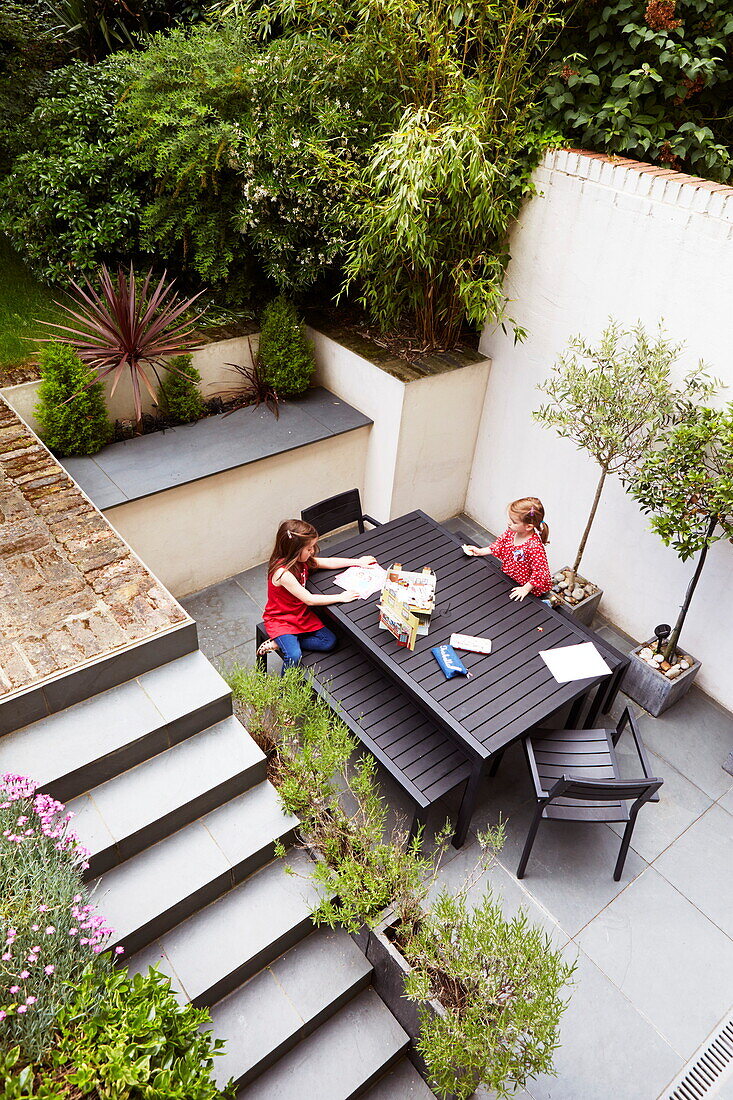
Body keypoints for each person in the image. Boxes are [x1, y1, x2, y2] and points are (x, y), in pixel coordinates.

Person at [257, 519, 379, 673]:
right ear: (294, 550)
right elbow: (309, 599)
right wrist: (341, 597)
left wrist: (357, 562)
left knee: (329, 641)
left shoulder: (303, 560)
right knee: (294, 655)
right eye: (309, 548)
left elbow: (327, 562)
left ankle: (281, 642)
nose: (313, 551)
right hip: (281, 620)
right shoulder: (283, 573)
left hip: (300, 615)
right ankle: (283, 689)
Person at [464, 496, 551, 601]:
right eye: (509, 518)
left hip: (527, 586)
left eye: (514, 522)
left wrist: (525, 589)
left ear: (528, 526)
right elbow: (499, 544)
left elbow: (540, 572)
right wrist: (480, 551)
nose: (509, 523)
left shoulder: (534, 547)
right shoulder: (512, 532)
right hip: (509, 576)